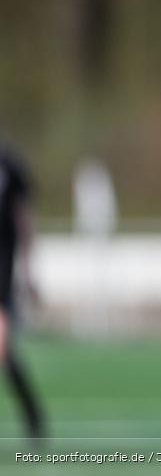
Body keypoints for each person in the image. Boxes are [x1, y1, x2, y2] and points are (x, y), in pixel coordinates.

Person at [0, 144, 46, 441]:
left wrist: (29, 271)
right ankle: (34, 416)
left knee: (1, 348)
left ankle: (33, 417)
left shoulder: (10, 165)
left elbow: (24, 219)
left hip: (1, 269)